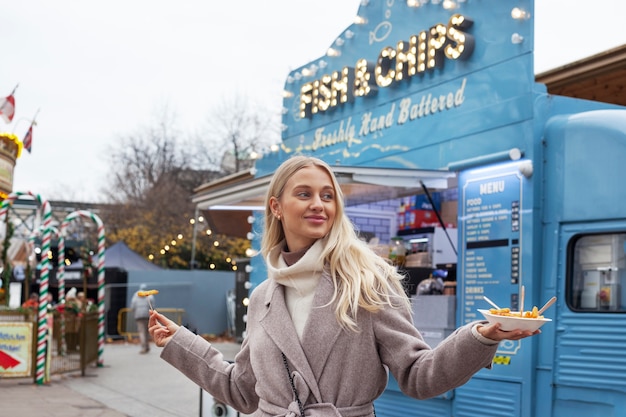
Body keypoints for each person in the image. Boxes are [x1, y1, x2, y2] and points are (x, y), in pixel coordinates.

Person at [149, 155, 539, 417]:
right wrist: (181, 343)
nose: (319, 204)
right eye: (304, 194)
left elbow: (419, 376)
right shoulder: (264, 297)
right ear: (276, 207)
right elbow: (243, 391)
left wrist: (481, 337)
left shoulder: (367, 280)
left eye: (327, 195)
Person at [131, 284, 154, 354]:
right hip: (147, 315)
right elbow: (152, 306)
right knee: (147, 331)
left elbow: (133, 306)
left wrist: (134, 312)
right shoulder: (150, 296)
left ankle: (144, 347)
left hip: (138, 316)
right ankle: (147, 346)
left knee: (142, 332)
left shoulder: (135, 296)